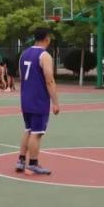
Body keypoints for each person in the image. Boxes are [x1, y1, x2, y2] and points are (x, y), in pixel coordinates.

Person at [16, 27, 61, 175]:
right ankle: (33, 164)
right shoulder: (44, 55)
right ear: (47, 39)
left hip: (25, 98)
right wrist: (55, 102)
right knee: (37, 133)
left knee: (28, 130)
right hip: (38, 99)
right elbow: (49, 80)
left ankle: (21, 160)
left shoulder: (24, 54)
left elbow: (21, 77)